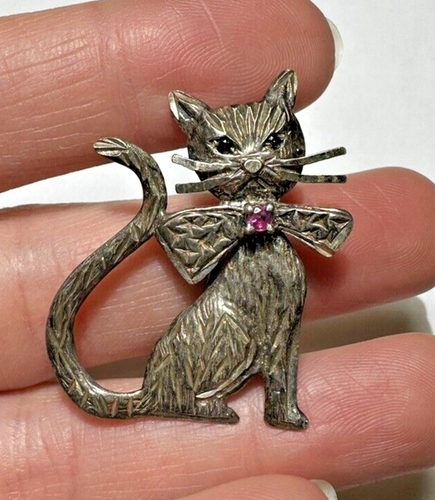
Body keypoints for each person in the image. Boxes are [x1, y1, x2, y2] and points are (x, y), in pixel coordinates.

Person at [0, 0, 434, 499]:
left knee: (279, 323)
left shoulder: (282, 236)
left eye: (270, 142)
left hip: (247, 312)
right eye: (228, 148)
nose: (253, 161)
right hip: (185, 370)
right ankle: (189, 396)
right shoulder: (224, 230)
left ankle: (277, 404)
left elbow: (281, 333)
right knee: (227, 325)